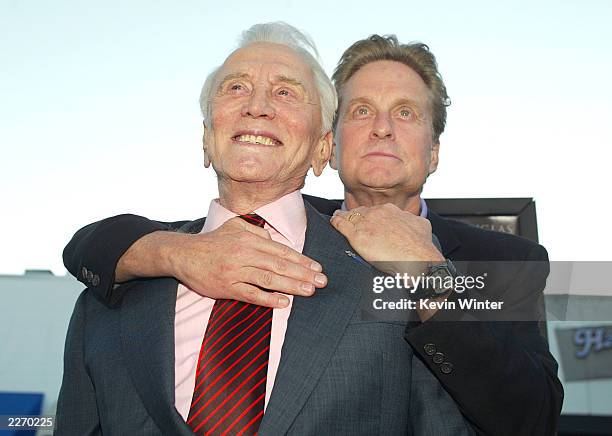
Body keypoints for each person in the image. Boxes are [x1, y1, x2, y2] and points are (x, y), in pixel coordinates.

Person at [61, 31, 563, 435]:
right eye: (361, 111)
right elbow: (95, 245)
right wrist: (173, 253)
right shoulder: (271, 217)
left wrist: (425, 270)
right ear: (331, 144)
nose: (382, 128)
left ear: (434, 152)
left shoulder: (502, 258)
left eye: (406, 113)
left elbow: (528, 413)